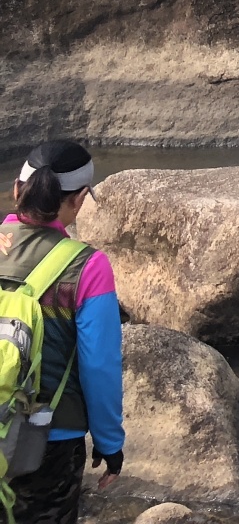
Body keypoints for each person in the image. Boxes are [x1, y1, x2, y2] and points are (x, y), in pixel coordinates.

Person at [0, 142, 122, 524]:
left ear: (17, 190)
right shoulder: (90, 266)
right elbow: (99, 366)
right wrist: (109, 443)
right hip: (47, 438)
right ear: (80, 198)